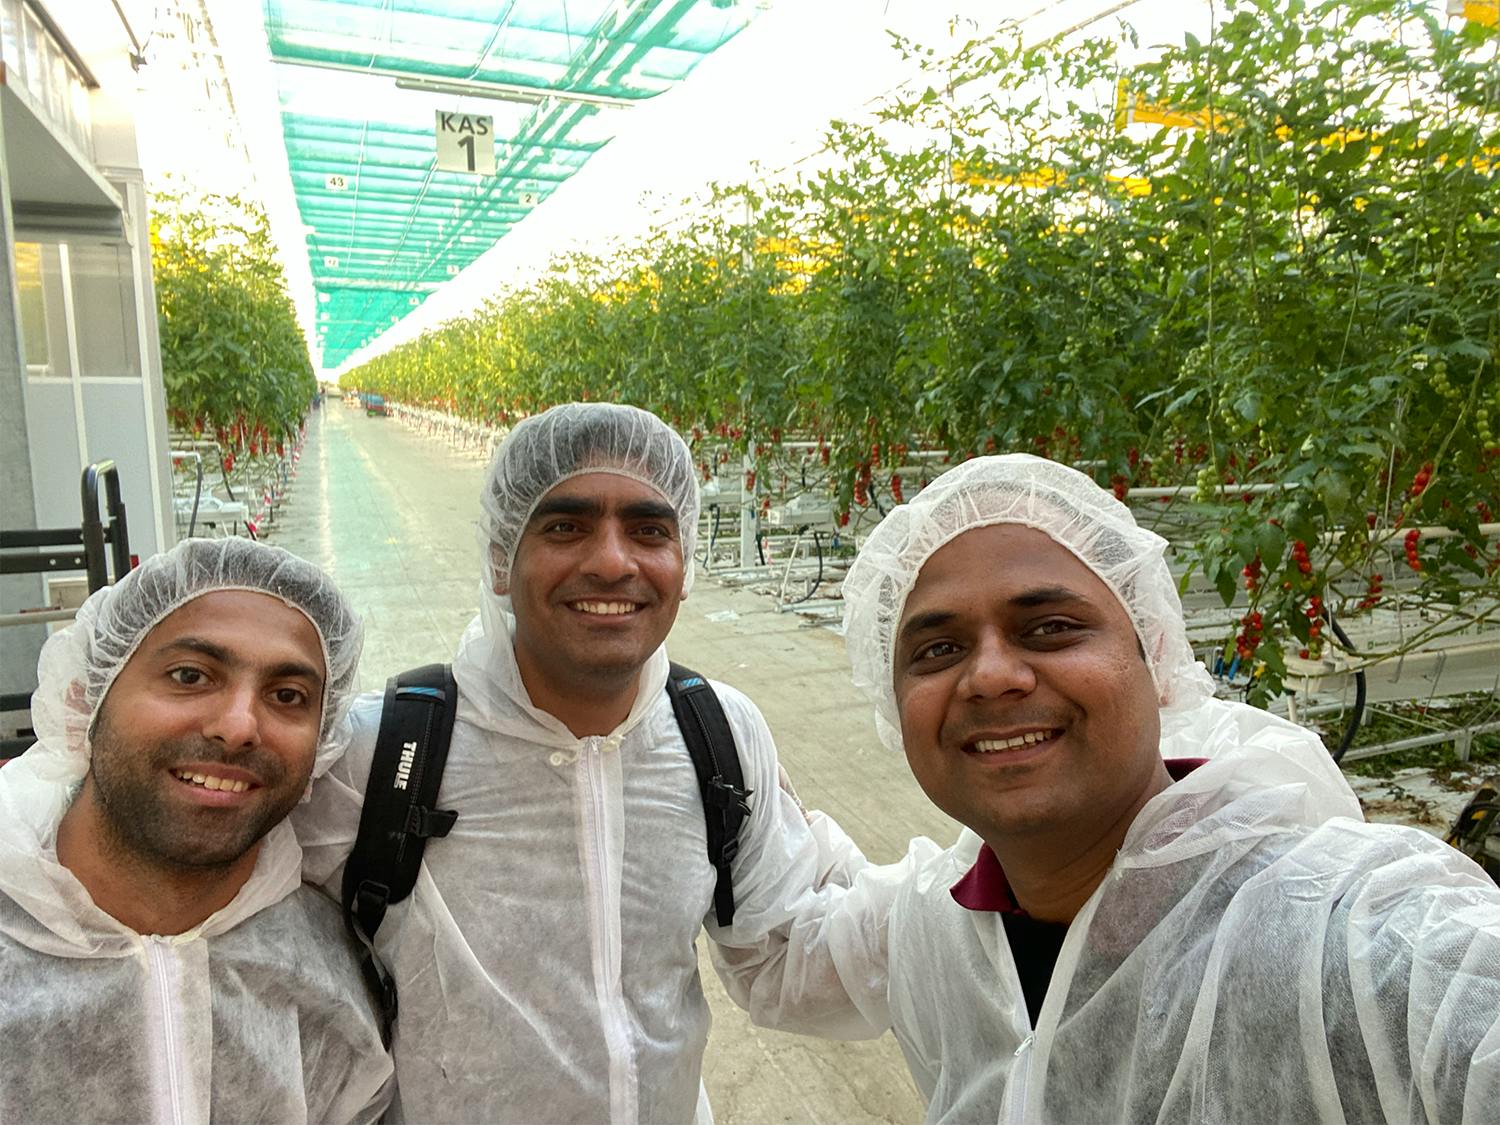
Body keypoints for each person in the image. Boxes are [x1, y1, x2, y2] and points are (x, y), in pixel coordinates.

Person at [718, 453, 1500, 1123]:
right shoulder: (933, 926)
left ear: (1154, 654)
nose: (990, 674)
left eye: (1051, 626)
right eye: (939, 646)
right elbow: (786, 952)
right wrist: (709, 733)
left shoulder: (1347, 930)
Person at [295, 402, 853, 1124]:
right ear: (502, 557)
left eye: (650, 530)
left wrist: (951, 903)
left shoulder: (715, 731)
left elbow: (781, 949)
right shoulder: (383, 753)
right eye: (566, 526)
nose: (613, 562)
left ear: (684, 566)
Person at [0, 537, 393, 1123]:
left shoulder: (331, 985)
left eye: (288, 696)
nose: (238, 727)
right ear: (85, 699)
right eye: (190, 675)